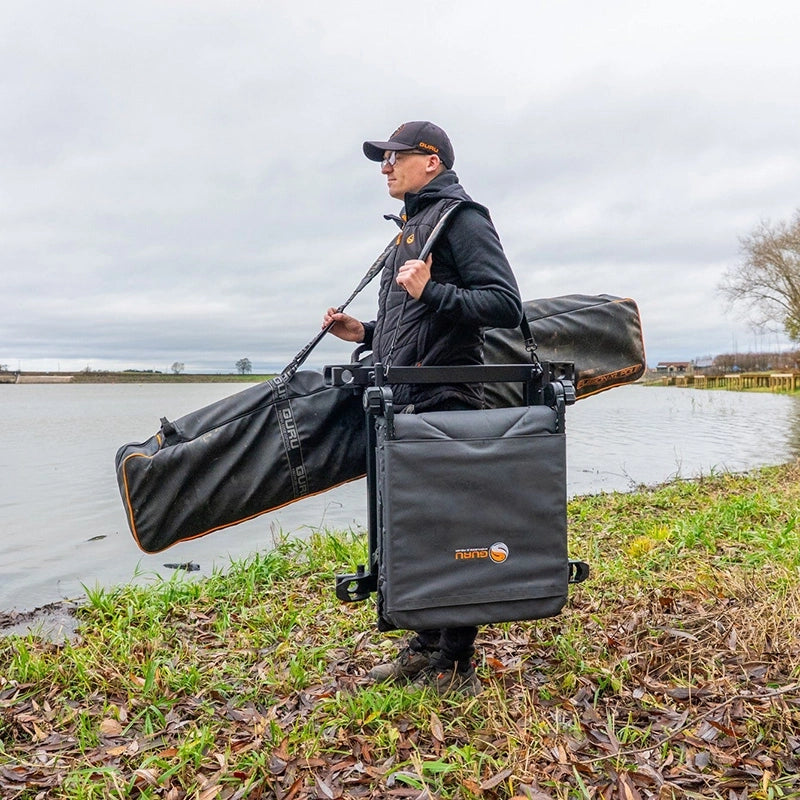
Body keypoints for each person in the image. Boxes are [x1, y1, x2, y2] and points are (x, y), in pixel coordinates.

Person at [323, 121, 522, 695]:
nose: (385, 167)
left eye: (395, 157)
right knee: (419, 529)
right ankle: (427, 647)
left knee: (453, 529)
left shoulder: (463, 219)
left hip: (448, 397)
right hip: (407, 400)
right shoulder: (412, 229)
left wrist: (430, 290)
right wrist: (362, 329)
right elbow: (413, 323)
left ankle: (457, 662)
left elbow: (504, 304)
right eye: (382, 160)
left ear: (431, 161)